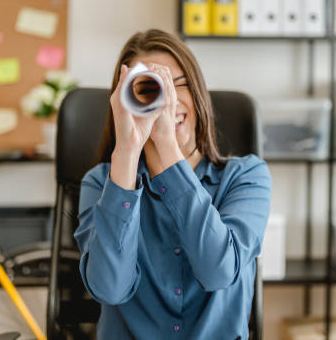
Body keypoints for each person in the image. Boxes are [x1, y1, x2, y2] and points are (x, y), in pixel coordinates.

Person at [74, 29, 271, 339]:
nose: (169, 100)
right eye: (150, 88)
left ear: (199, 93)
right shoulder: (101, 182)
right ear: (125, 102)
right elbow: (109, 288)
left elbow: (218, 270)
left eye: (180, 85)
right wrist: (127, 151)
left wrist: (165, 144)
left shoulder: (246, 177)